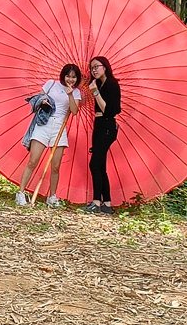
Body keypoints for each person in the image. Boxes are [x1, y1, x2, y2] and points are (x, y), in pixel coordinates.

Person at [16, 63, 83, 206]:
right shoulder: (51, 84)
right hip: (43, 124)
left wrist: (70, 94)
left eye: (73, 77)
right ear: (63, 75)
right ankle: (21, 193)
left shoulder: (76, 92)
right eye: (68, 76)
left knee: (56, 166)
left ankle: (52, 196)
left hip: (59, 127)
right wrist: (44, 101)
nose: (70, 79)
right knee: (33, 160)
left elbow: (74, 111)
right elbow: (39, 99)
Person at [84, 55, 121, 214]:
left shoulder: (112, 84)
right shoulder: (98, 84)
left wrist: (96, 93)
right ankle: (106, 203)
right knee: (100, 165)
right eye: (92, 68)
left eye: (97, 66)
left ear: (105, 67)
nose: (94, 70)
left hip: (107, 126)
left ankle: (96, 202)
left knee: (94, 164)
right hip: (99, 125)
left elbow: (109, 110)